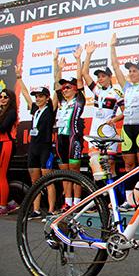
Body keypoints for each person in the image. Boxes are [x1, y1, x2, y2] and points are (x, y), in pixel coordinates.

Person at [110, 29, 139, 210]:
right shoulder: (126, 86)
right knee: (128, 164)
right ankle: (129, 200)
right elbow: (115, 66)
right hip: (127, 128)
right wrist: (112, 46)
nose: (131, 73)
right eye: (130, 71)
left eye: (135, 70)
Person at [15, 65, 56, 219]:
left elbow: (56, 92)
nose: (37, 98)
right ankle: (36, 209)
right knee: (35, 180)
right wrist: (19, 78)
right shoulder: (35, 110)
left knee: (48, 179)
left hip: (45, 148)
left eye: (40, 96)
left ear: (47, 98)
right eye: (36, 96)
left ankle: (51, 210)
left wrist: (57, 69)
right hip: (33, 148)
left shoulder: (50, 109)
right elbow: (25, 93)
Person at [82, 42, 124, 180]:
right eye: (98, 76)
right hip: (94, 133)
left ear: (109, 77)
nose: (100, 79)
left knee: (110, 166)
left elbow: (125, 112)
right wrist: (88, 54)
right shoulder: (97, 91)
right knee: (96, 167)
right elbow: (84, 73)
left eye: (103, 76)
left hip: (109, 134)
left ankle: (114, 200)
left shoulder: (116, 92)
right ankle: (102, 197)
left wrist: (114, 120)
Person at [53, 47, 86, 212]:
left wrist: (78, 60)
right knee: (64, 172)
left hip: (74, 138)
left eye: (67, 87)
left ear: (74, 89)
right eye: (63, 88)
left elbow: (80, 80)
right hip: (61, 138)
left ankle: (77, 202)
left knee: (75, 171)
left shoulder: (79, 100)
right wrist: (57, 65)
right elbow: (55, 83)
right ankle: (67, 202)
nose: (64, 90)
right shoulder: (62, 101)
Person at [0, 88, 19, 215]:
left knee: (1, 175)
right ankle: (10, 202)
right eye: (0, 97)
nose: (2, 99)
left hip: (6, 144)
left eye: (5, 97)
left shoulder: (11, 112)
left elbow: (2, 128)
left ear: (10, 99)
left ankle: (3, 206)